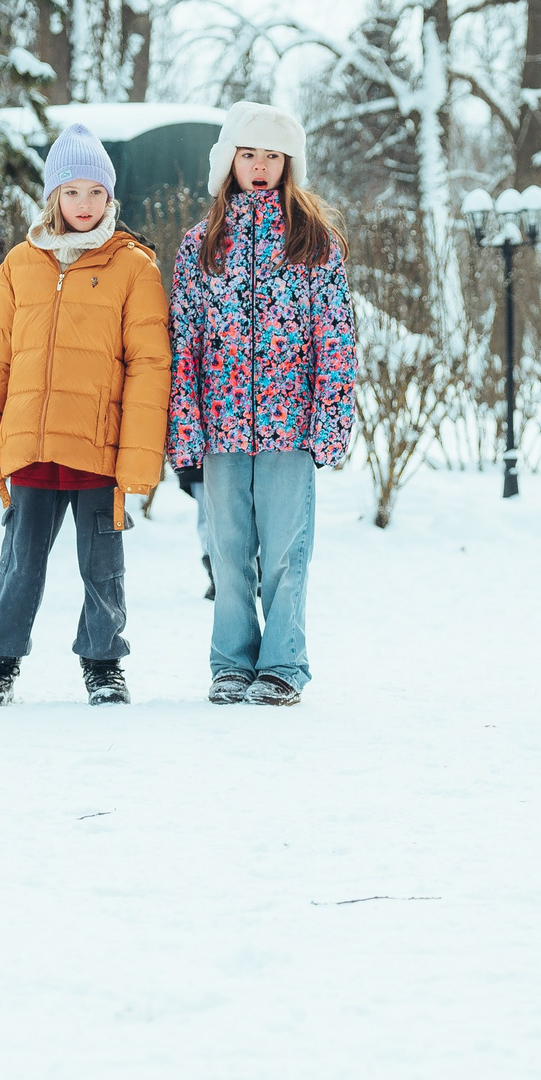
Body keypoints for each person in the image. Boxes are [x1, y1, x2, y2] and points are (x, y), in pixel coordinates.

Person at [0, 124, 170, 707]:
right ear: (53, 195)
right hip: (28, 443)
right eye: (72, 192)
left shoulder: (134, 267)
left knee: (102, 565)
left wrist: (138, 456)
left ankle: (104, 664)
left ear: (111, 197)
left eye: (96, 192)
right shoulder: (20, 264)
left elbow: (150, 367)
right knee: (19, 562)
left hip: (98, 448)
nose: (85, 204)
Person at [167, 102, 357, 706]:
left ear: (288, 164)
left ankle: (282, 664)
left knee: (283, 553)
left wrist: (331, 419)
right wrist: (185, 427)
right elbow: (186, 342)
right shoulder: (202, 246)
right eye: (248, 154)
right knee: (227, 554)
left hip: (289, 425)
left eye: (271, 156)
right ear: (229, 161)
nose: (259, 166)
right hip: (221, 425)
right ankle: (231, 661)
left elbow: (336, 337)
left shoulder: (315, 243)